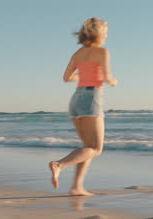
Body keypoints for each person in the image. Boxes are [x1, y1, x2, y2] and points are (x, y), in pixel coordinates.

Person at [49, 17, 117, 196]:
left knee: (86, 147)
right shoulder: (103, 51)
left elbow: (67, 78)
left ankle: (77, 187)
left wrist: (84, 74)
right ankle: (59, 165)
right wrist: (113, 80)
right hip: (91, 98)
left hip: (76, 100)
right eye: (106, 32)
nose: (107, 35)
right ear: (100, 34)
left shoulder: (78, 54)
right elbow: (108, 76)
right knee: (96, 149)